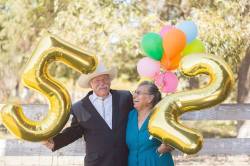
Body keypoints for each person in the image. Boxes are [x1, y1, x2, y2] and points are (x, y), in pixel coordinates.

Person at [43, 62, 133, 166]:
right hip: (96, 162)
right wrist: (54, 142)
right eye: (97, 81)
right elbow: (74, 131)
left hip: (124, 159)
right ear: (90, 84)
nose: (102, 83)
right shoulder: (80, 107)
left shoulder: (125, 97)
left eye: (104, 79)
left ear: (110, 81)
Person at [126, 81, 174, 166]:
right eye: (135, 92)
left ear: (150, 98)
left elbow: (173, 140)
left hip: (156, 162)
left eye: (139, 93)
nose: (134, 96)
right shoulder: (130, 115)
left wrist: (161, 149)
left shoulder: (160, 116)